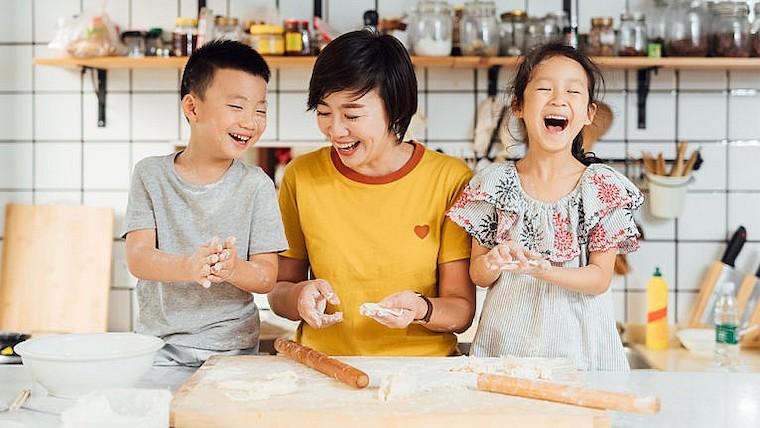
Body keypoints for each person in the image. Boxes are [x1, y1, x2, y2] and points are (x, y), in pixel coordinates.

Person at [268, 30, 476, 356]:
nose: (335, 130)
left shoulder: (449, 179)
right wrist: (299, 297)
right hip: (325, 368)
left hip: (423, 374)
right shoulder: (301, 175)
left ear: (394, 108)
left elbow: (461, 311)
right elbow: (279, 290)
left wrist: (420, 309)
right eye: (324, 113)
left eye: (351, 115)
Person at [447, 43, 643, 370]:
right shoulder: (491, 184)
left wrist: (545, 270)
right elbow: (478, 274)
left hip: (582, 354)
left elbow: (599, 278)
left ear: (589, 113)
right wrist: (493, 261)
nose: (558, 99)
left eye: (573, 91)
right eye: (543, 88)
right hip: (505, 350)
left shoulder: (601, 188)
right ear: (519, 105)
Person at [124, 40, 288, 366]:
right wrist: (190, 266)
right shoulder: (150, 174)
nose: (251, 121)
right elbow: (138, 258)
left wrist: (231, 268)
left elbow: (267, 276)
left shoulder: (257, 185)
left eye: (260, 109)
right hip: (159, 350)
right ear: (192, 107)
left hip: (234, 352)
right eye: (237, 107)